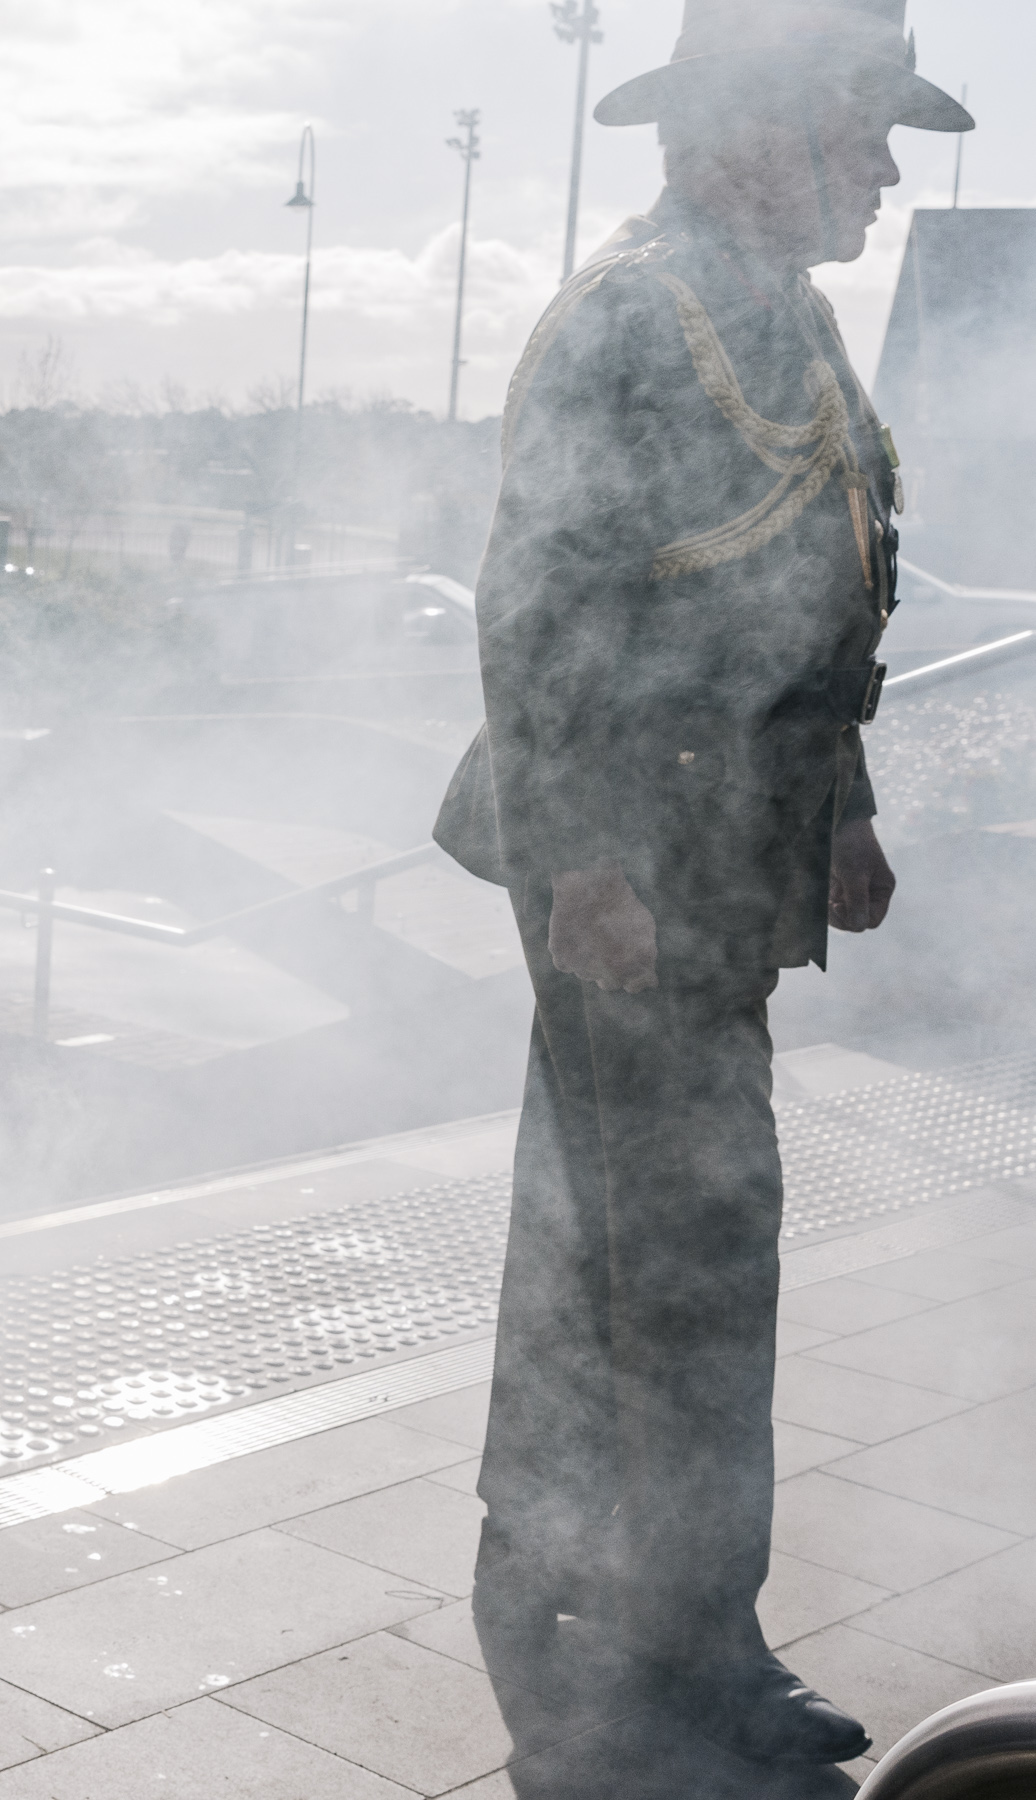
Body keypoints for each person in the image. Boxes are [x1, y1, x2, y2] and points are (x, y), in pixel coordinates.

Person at [433, 0, 966, 1773]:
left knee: (689, 1245)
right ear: (755, 130)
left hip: (722, 859)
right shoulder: (630, 319)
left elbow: (822, 599)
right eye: (863, 124)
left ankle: (661, 1612)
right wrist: (584, 868)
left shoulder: (788, 319)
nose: (887, 166)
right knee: (659, 1252)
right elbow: (539, 622)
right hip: (627, 869)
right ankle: (640, 1645)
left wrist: (843, 808)